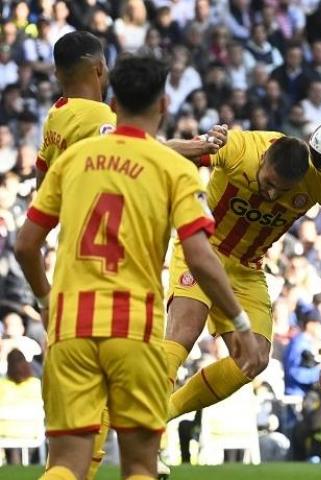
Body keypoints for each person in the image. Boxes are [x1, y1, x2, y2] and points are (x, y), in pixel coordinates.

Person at [13, 54, 260, 480]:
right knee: (141, 468)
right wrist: (239, 324)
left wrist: (45, 299)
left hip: (71, 325)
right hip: (134, 329)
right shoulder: (173, 168)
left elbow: (25, 244)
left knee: (66, 465)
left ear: (114, 99)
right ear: (163, 105)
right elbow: (200, 257)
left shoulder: (75, 159)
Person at [163, 127, 321, 428]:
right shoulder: (239, 148)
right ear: (262, 160)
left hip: (247, 269)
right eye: (269, 183)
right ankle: (143, 425)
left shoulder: (316, 181)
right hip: (203, 249)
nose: (272, 194)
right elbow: (166, 151)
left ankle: (164, 413)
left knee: (254, 359)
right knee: (184, 334)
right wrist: (196, 143)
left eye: (282, 190)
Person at [36, 31, 225, 188]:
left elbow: (42, 177)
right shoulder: (97, 114)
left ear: (57, 74)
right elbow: (141, 149)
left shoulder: (55, 114)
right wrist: (199, 145)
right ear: (100, 68)